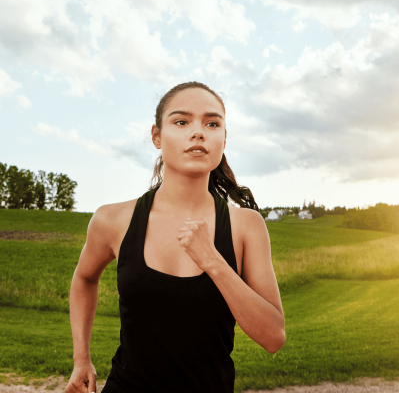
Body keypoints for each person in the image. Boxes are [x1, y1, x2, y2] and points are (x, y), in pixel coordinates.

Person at [65, 82, 286, 393]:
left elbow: (273, 337)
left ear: (224, 138)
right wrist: (81, 358)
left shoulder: (246, 226)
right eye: (181, 122)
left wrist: (212, 260)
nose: (198, 133)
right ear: (157, 136)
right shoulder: (112, 220)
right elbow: (84, 278)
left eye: (212, 123)